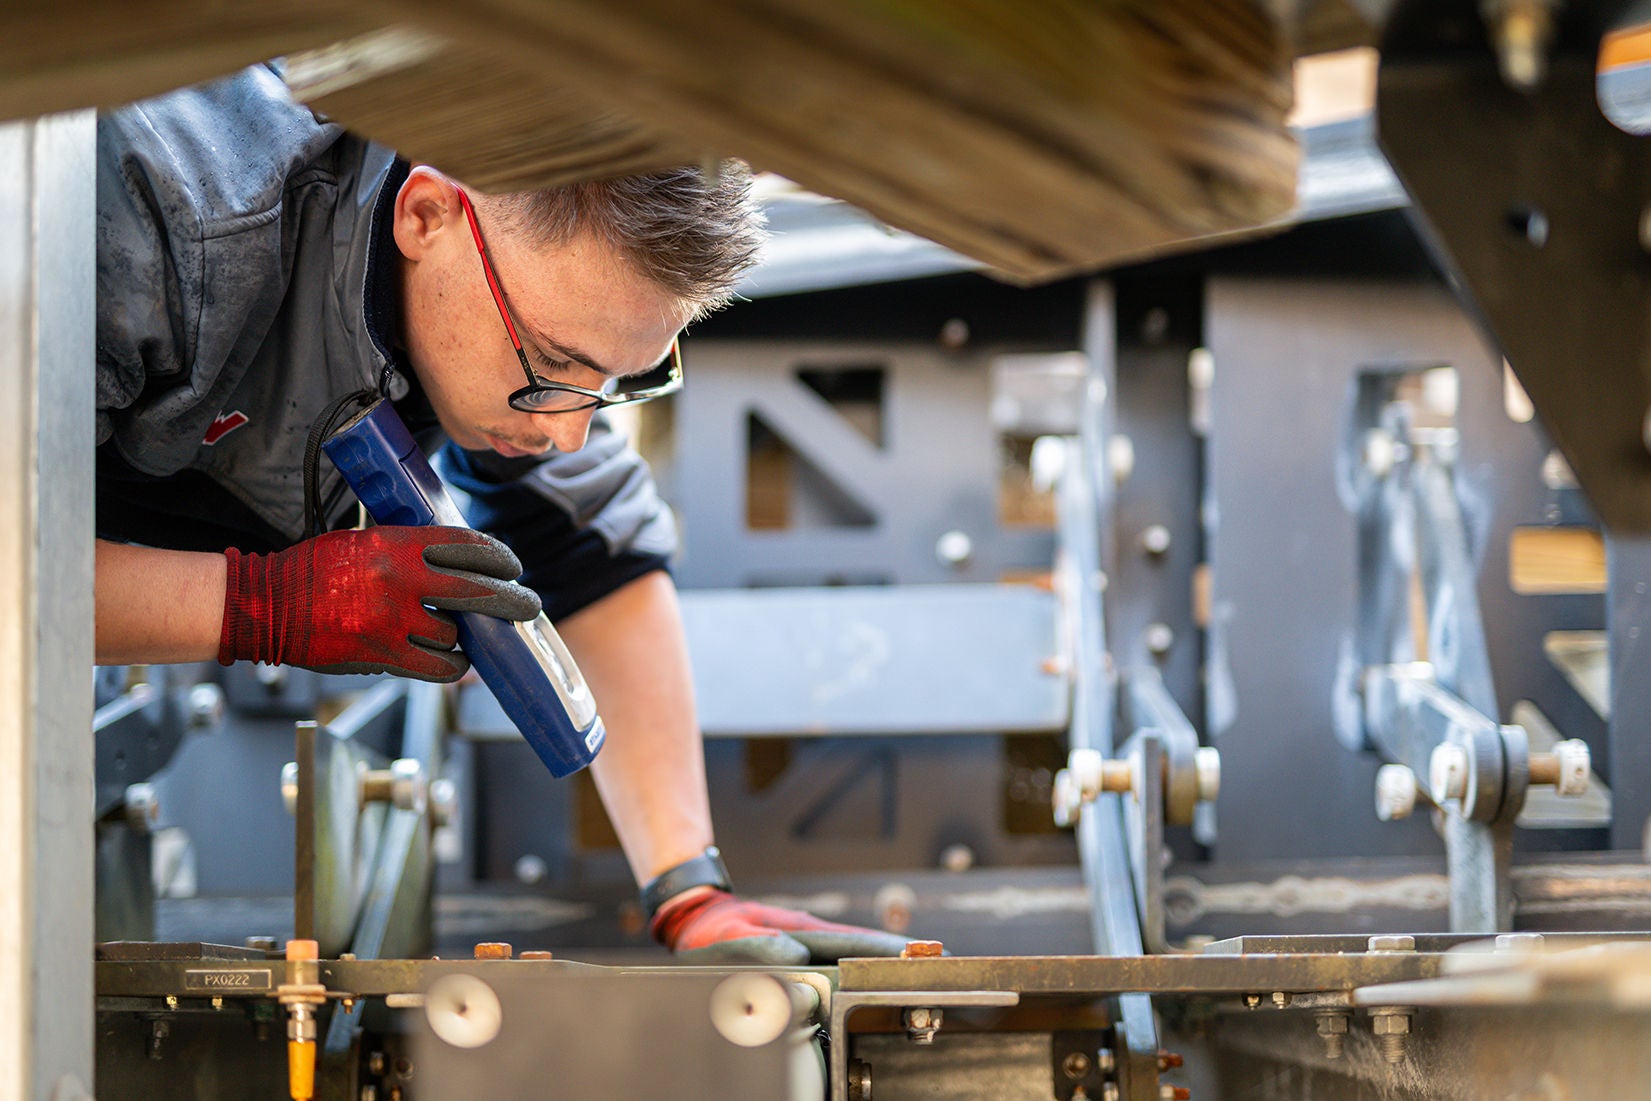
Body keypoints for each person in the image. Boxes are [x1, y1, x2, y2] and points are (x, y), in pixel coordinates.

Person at [94, 62, 910, 965]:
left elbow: (596, 563)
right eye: (556, 362)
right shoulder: (155, 211)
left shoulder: (519, 317)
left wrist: (689, 888)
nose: (568, 431)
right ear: (427, 215)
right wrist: (265, 607)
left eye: (614, 381)